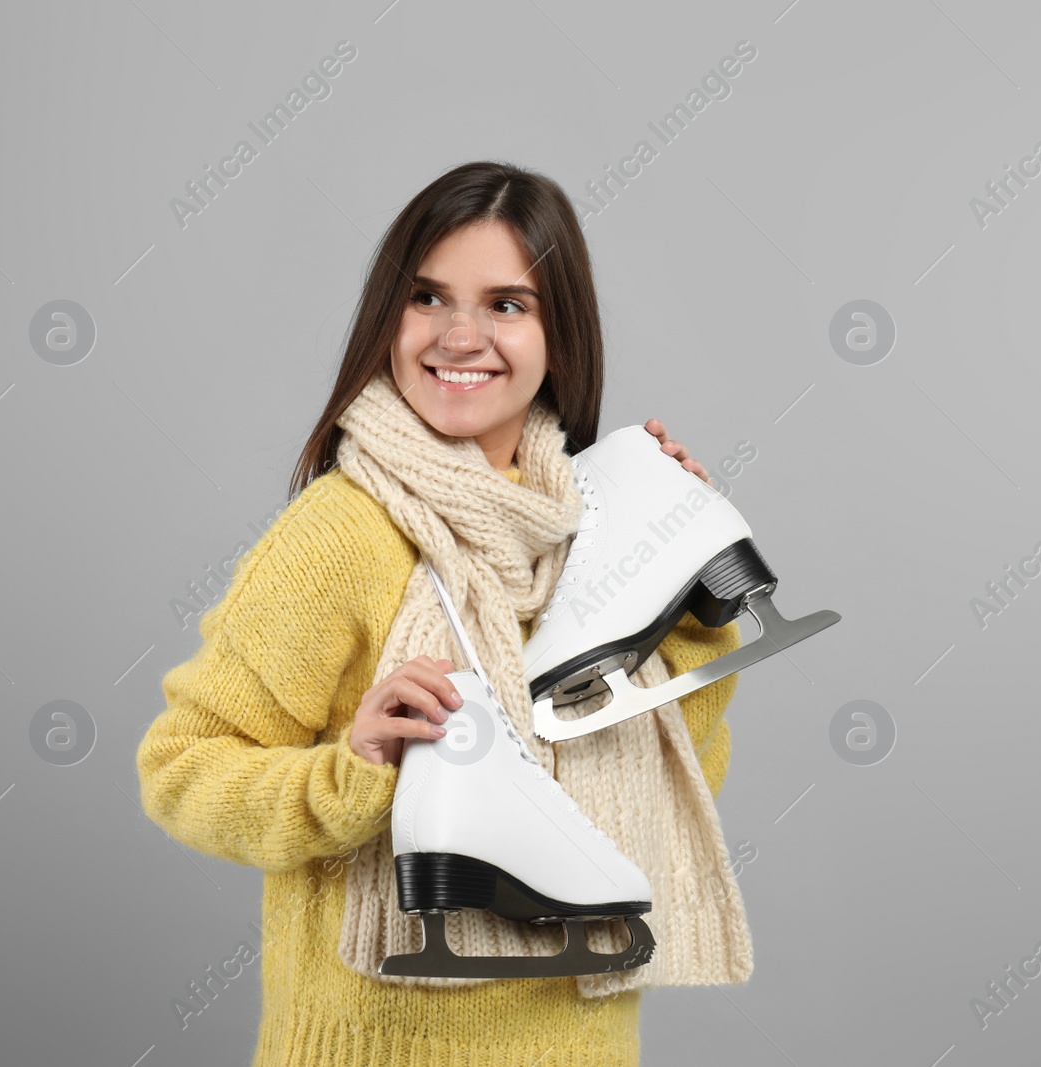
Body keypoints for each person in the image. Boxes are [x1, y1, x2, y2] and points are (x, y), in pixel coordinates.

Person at [136, 160, 752, 1066]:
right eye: (428, 298)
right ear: (389, 317)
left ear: (560, 338)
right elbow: (181, 770)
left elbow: (674, 785)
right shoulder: (342, 534)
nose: (461, 336)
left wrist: (684, 595)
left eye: (507, 304)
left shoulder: (598, 528)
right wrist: (355, 770)